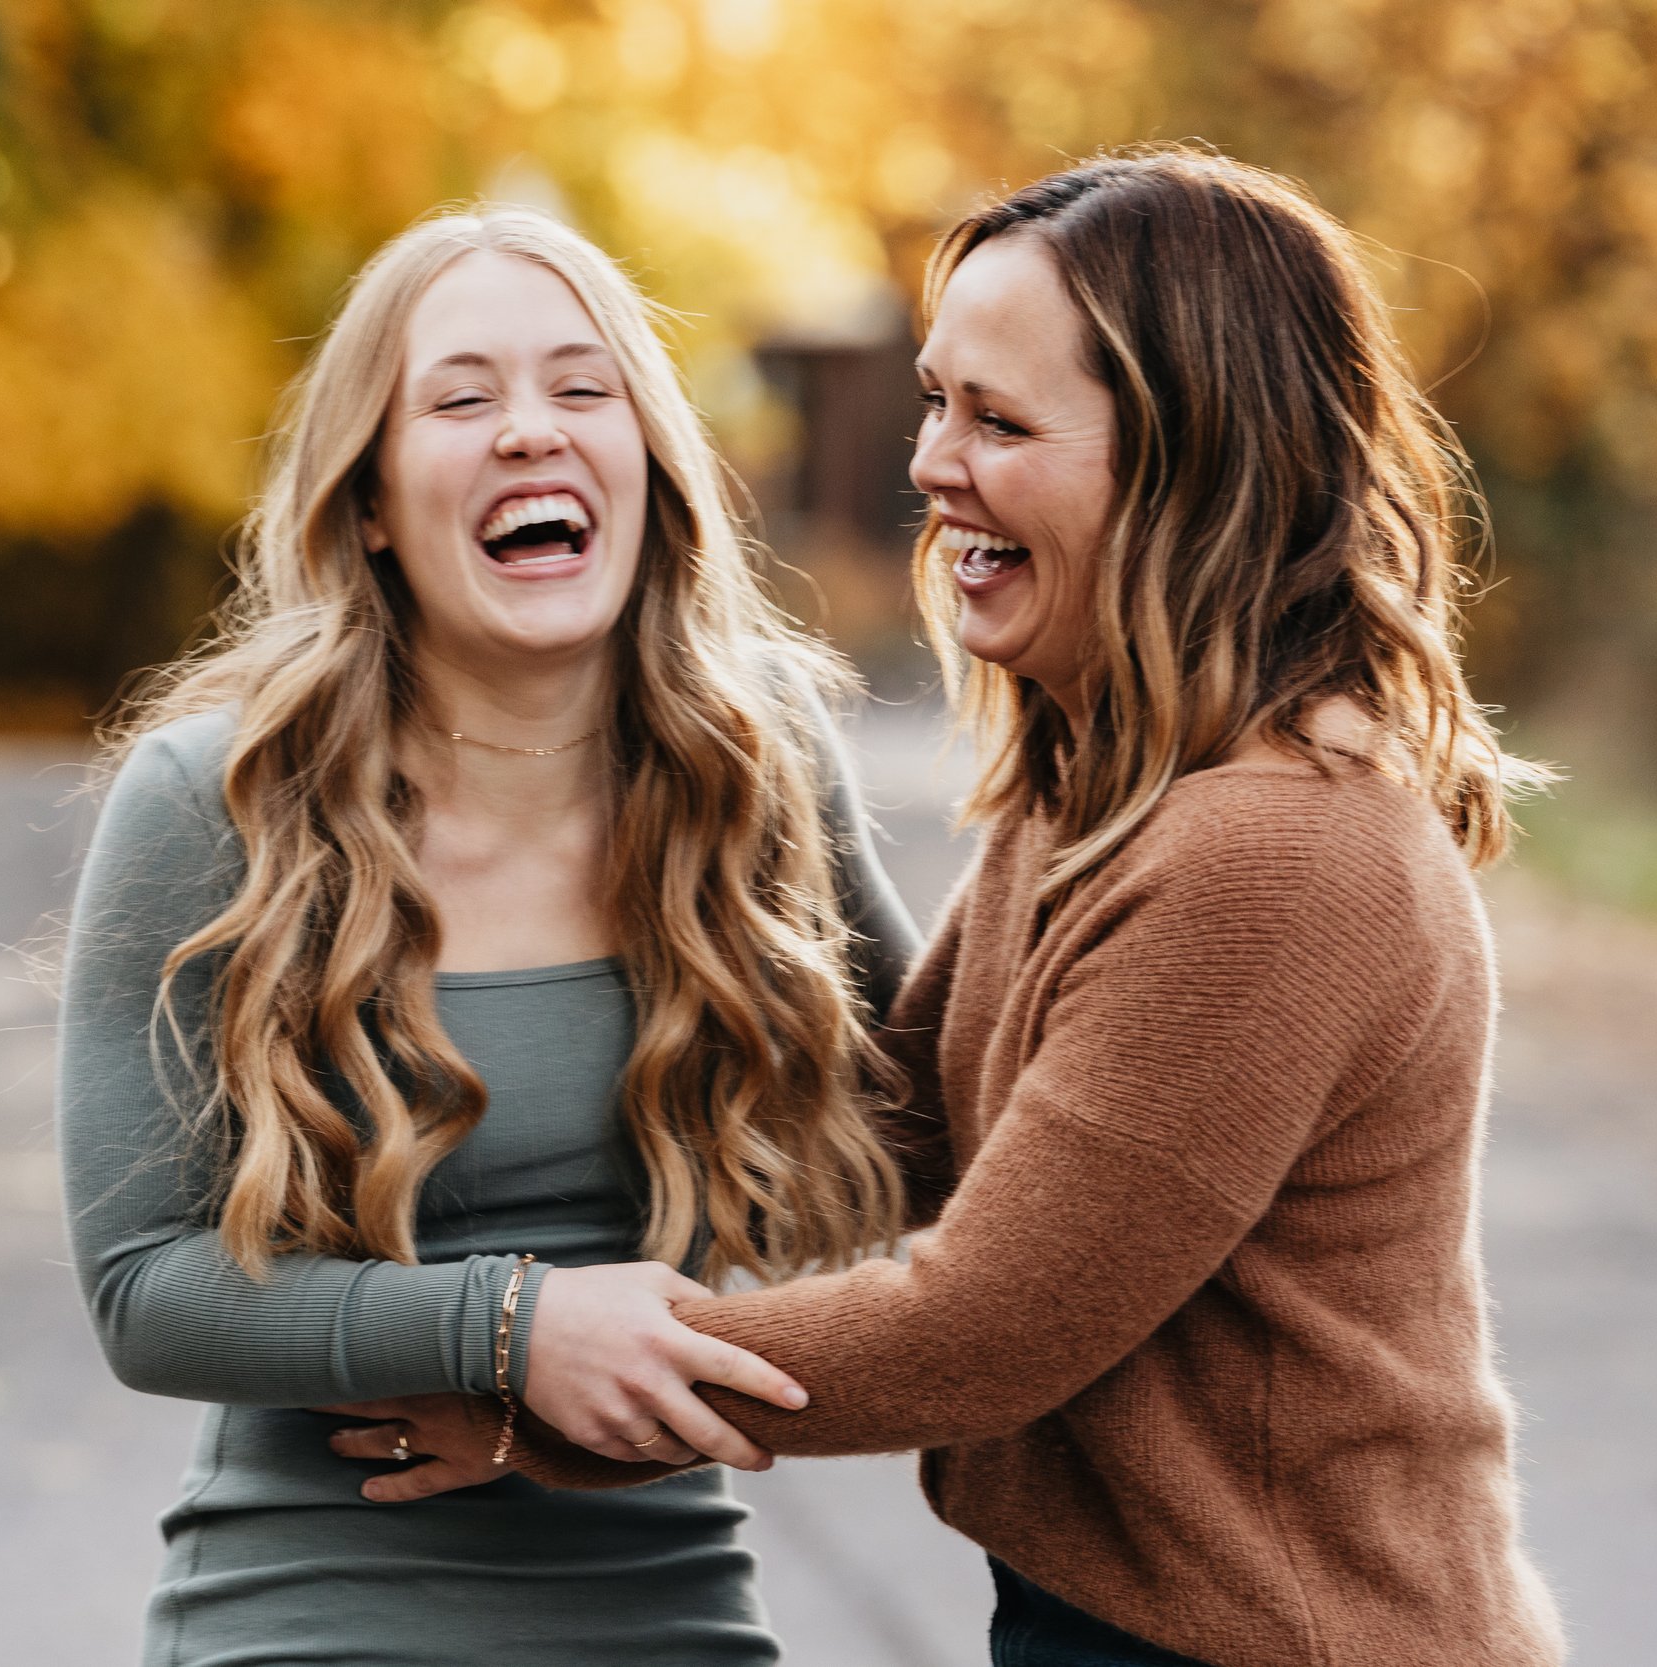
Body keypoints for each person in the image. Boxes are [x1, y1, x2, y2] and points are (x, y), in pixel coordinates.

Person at [334, 149, 1569, 1667]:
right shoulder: (1107, 782)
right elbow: (900, 1128)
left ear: (1188, 463)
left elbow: (980, 1327)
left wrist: (540, 1391)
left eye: (998, 421)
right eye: (935, 403)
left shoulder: (1277, 855)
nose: (930, 462)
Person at [56, 204, 921, 1667]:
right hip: (310, 1618)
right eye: (461, 401)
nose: (531, 430)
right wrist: (511, 1329)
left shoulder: (755, 759)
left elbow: (949, 1134)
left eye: (585, 388)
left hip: (671, 1608)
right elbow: (146, 1287)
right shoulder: (221, 796)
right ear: (371, 502)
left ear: (648, 461)